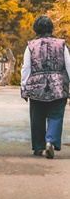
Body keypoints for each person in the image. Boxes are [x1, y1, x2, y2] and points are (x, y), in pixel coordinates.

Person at [21, 15, 70, 159]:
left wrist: (24, 86)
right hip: (59, 84)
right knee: (56, 115)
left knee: (37, 116)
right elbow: (68, 65)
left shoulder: (31, 45)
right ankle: (51, 141)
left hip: (37, 85)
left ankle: (38, 146)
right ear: (51, 28)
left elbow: (26, 68)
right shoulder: (61, 44)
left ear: (35, 29)